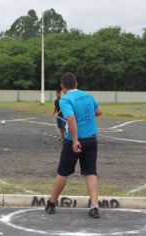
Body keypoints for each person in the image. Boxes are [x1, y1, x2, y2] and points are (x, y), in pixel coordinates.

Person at [45, 72, 102, 218]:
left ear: (62, 86)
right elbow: (99, 112)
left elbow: (70, 118)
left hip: (74, 141)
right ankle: (95, 206)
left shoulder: (65, 99)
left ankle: (52, 203)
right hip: (91, 139)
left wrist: (75, 140)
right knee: (90, 172)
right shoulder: (88, 96)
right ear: (76, 84)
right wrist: (85, 118)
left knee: (63, 172)